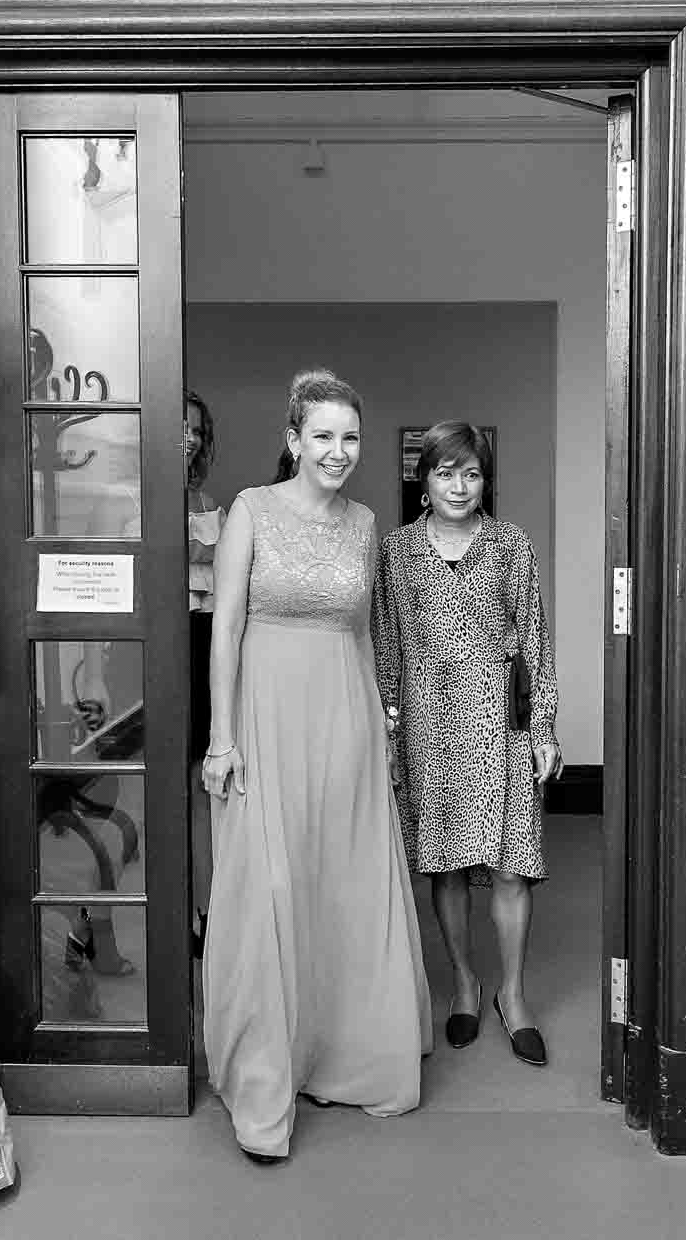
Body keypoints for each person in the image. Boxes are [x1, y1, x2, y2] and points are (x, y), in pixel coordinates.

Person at [201, 368, 431, 1163]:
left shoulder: (367, 523)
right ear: (293, 440)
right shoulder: (251, 511)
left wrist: (381, 727)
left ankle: (342, 1055)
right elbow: (224, 628)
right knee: (270, 883)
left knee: (340, 883)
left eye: (350, 437)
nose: (338, 451)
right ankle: (265, 1074)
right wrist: (221, 739)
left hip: (346, 718)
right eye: (323, 436)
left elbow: (362, 632)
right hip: (264, 717)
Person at [373, 421, 562, 1068]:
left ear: (487, 481)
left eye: (472, 472)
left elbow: (534, 639)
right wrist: (390, 732)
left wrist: (543, 728)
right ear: (423, 480)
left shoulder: (511, 544)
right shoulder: (396, 552)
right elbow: (388, 648)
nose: (459, 485)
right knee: (447, 865)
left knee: (511, 866)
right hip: (430, 729)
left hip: (500, 727)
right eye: (445, 472)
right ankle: (464, 983)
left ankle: (512, 993)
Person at [184, 391, 220, 954]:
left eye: (195, 430)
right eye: (179, 426)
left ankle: (205, 911)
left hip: (204, 640)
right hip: (161, 643)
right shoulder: (133, 494)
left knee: (199, 783)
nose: (188, 437)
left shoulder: (203, 497)